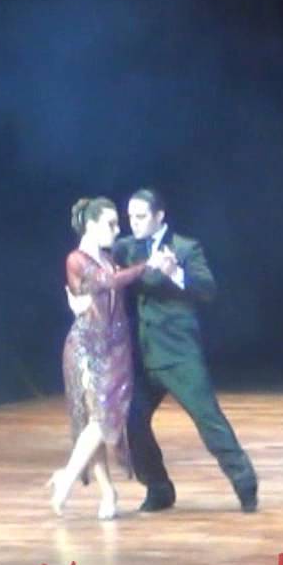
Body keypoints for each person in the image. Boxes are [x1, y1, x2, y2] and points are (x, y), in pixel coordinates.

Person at [71, 188, 258, 513]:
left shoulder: (185, 247)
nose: (134, 223)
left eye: (141, 217)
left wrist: (175, 273)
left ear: (159, 217)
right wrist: (77, 297)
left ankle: (245, 483)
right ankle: (158, 488)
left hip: (178, 355)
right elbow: (94, 271)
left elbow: (207, 289)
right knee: (132, 421)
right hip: (141, 357)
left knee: (208, 419)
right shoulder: (125, 249)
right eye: (130, 217)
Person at [50, 197, 174, 519]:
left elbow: (116, 284)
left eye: (117, 224)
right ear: (91, 226)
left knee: (102, 422)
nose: (117, 230)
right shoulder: (76, 259)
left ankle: (74, 481)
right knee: (95, 422)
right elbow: (106, 283)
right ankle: (94, 490)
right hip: (87, 347)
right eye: (110, 224)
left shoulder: (107, 257)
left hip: (114, 347)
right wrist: (148, 265)